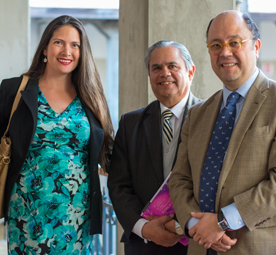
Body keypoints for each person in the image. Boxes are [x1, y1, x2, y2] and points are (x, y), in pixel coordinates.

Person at [0, 15, 114, 254]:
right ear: (45, 48)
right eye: (59, 42)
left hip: (78, 214)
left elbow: (108, 152)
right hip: (27, 211)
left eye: (75, 45)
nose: (66, 51)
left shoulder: (92, 97)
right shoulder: (15, 90)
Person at [169, 10, 276, 255]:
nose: (225, 52)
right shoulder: (197, 113)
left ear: (256, 46)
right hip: (201, 246)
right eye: (216, 45)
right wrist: (198, 226)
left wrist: (222, 221)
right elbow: (179, 180)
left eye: (234, 42)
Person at [108, 40, 200, 255]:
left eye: (172, 66)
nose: (164, 73)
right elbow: (118, 185)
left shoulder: (211, 119)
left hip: (196, 242)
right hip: (144, 244)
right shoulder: (130, 123)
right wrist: (145, 228)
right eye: (156, 68)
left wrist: (180, 225)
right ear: (150, 76)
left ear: (190, 71)